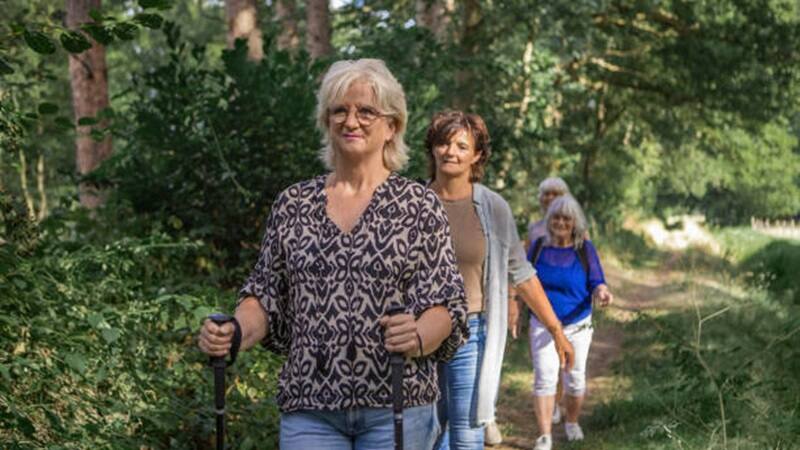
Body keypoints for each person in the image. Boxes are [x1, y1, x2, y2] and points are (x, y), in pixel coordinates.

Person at [197, 59, 470, 450]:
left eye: (366, 111)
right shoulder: (294, 204)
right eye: (339, 110)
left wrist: (417, 336)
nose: (351, 121)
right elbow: (266, 294)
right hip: (310, 407)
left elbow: (446, 304)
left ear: (392, 126)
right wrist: (234, 333)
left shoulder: (418, 205)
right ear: (326, 120)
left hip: (398, 401)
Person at [424, 110, 575, 450]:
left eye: (462, 146)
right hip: (418, 334)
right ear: (432, 148)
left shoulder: (492, 207)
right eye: (444, 143)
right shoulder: (412, 203)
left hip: (471, 330)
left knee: (465, 430)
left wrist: (556, 331)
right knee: (427, 430)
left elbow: (521, 274)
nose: (451, 152)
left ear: (477, 155)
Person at [527, 194, 613, 450]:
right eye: (555, 217)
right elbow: (525, 281)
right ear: (548, 219)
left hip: (578, 324)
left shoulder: (585, 249)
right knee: (544, 377)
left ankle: (572, 422)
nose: (560, 222)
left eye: (566, 218)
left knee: (574, 377)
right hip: (543, 324)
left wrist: (602, 293)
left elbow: (597, 279)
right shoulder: (538, 247)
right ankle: (544, 435)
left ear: (575, 222)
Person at [507, 176, 573, 431]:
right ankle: (550, 403)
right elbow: (522, 265)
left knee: (561, 356)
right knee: (544, 360)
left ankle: (557, 401)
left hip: (566, 302)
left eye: (555, 193)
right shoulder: (534, 230)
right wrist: (517, 301)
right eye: (545, 194)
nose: (549, 198)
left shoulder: (575, 225)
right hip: (538, 299)